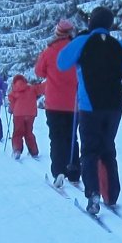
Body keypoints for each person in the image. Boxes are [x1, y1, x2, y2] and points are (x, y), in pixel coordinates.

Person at [57, 7, 122, 216]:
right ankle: (111, 194)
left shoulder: (83, 42)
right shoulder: (119, 46)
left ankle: (93, 194)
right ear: (109, 24)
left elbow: (62, 62)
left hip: (89, 107)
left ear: (91, 22)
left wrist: (78, 41)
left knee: (90, 151)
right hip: (114, 106)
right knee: (108, 148)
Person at [34, 19, 82, 187]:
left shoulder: (49, 51)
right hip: (74, 103)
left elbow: (39, 71)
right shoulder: (76, 50)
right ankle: (75, 171)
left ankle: (59, 171)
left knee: (56, 138)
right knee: (72, 138)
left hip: (54, 103)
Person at [6, 74, 46, 160]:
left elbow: (12, 102)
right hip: (30, 114)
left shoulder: (14, 91)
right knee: (29, 132)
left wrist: (11, 109)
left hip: (18, 114)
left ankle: (17, 150)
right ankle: (34, 152)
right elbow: (42, 88)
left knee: (18, 133)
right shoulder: (32, 88)